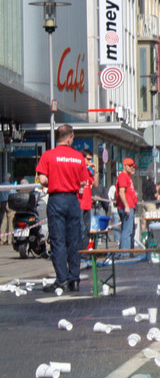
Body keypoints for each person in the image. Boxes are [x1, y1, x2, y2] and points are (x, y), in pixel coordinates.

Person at [35, 124, 90, 293]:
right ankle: (74, 279)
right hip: (73, 200)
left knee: (58, 241)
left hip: (57, 199)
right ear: (69, 138)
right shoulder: (78, 157)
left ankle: (62, 280)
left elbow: (42, 180)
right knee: (74, 241)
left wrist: (55, 179)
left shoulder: (48, 155)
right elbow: (83, 181)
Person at [115, 158, 139, 251]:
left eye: (133, 166)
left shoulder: (127, 177)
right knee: (127, 231)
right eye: (130, 166)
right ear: (124, 166)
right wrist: (126, 206)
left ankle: (127, 251)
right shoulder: (123, 176)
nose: (132, 168)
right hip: (127, 207)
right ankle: (125, 253)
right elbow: (121, 192)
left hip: (129, 206)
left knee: (129, 230)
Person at [80, 150, 95, 244]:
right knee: (81, 229)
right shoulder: (78, 169)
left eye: (91, 159)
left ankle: (84, 253)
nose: (90, 161)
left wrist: (95, 171)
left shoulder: (89, 171)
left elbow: (95, 183)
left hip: (88, 204)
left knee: (87, 229)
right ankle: (79, 253)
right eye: (88, 159)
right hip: (79, 203)